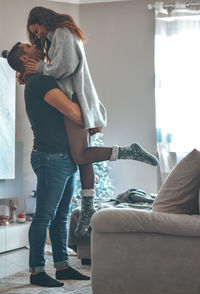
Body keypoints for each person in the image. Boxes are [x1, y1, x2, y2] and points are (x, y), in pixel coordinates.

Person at [23, 6, 159, 238]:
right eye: (33, 35)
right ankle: (88, 209)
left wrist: (37, 67)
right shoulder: (58, 35)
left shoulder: (63, 33)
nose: (37, 36)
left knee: (79, 156)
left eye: (35, 30)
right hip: (75, 97)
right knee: (82, 158)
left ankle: (128, 151)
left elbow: (64, 67)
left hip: (75, 98)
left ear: (41, 20)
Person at [7, 42, 91, 287]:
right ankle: (37, 271)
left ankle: (62, 266)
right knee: (44, 217)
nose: (34, 45)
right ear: (24, 58)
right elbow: (75, 114)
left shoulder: (41, 80)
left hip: (63, 157)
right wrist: (88, 107)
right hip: (51, 158)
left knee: (61, 216)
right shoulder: (40, 83)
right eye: (27, 45)